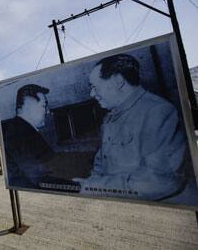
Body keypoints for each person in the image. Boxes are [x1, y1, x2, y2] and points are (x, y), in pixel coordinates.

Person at [74, 53, 188, 201]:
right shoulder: (109, 118)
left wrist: (93, 187)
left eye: (95, 87)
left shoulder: (158, 111)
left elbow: (158, 181)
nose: (92, 94)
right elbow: (101, 165)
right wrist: (89, 184)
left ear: (118, 81)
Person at [1, 84, 54, 188]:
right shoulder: (20, 135)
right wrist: (76, 186)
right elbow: (38, 177)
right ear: (28, 106)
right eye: (44, 106)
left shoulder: (23, 130)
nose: (48, 111)